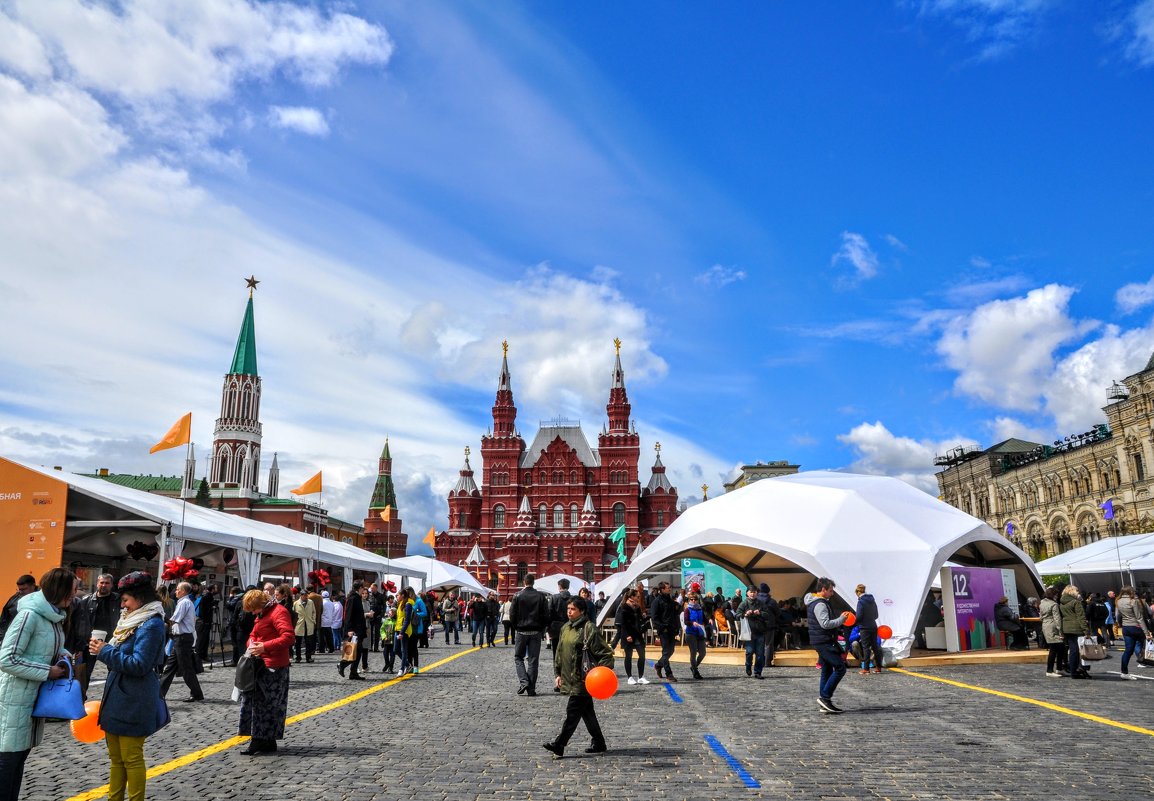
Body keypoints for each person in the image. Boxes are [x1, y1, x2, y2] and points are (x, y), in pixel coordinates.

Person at [0, 567, 79, 801]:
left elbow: (47, 648)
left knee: (17, 759)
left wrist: (64, 656)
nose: (76, 594)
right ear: (60, 589)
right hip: (15, 698)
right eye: (73, 589)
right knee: (8, 761)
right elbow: (7, 658)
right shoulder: (30, 616)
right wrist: (48, 671)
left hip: (31, 698)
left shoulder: (53, 616)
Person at [88, 571, 167, 801]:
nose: (123, 605)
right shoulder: (131, 620)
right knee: (116, 758)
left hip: (135, 697)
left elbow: (140, 664)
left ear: (140, 598)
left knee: (131, 757)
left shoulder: (151, 624)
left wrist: (105, 651)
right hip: (117, 695)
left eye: (126, 600)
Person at [542, 597, 614, 759]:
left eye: (573, 609)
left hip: (583, 680)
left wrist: (597, 677)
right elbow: (559, 653)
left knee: (572, 712)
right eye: (568, 608)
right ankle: (599, 742)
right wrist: (558, 674)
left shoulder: (589, 629)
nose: (569, 611)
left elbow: (606, 655)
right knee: (587, 712)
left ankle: (559, 745)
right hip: (569, 678)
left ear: (582, 611)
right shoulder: (565, 628)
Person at [237, 589, 293, 755]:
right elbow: (254, 634)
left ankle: (261, 740)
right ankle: (265, 740)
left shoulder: (278, 612)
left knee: (269, 704)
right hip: (260, 664)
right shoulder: (263, 613)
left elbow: (289, 637)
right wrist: (251, 643)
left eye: (253, 610)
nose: (253, 613)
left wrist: (264, 646)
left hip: (273, 666)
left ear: (260, 604)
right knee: (259, 703)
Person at [808, 577, 849, 713]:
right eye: (830, 591)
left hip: (820, 640)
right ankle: (825, 697)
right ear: (823, 590)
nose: (832, 593)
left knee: (827, 669)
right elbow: (825, 624)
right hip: (823, 640)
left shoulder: (816, 602)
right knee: (840, 668)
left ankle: (825, 702)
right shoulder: (820, 604)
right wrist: (841, 620)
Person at [159, 581, 204, 702]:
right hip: (179, 638)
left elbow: (174, 620)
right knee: (170, 667)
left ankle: (197, 693)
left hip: (183, 638)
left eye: (178, 589)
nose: (176, 591)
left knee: (186, 668)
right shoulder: (183, 602)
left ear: (183, 591)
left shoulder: (184, 603)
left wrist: (160, 619)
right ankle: (160, 693)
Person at [510, 574, 549, 696]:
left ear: (523, 582)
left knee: (518, 657)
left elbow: (512, 614)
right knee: (533, 660)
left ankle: (524, 681)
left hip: (521, 631)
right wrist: (541, 629)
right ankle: (531, 689)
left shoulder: (517, 595)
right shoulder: (541, 596)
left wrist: (517, 627)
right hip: (536, 632)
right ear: (534, 582)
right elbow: (546, 615)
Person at [1115, 585, 1150, 680]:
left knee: (1128, 650)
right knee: (1146, 645)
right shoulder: (1133, 601)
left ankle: (1124, 672)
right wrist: (1146, 633)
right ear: (1130, 591)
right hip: (1136, 626)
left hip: (1126, 628)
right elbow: (1139, 618)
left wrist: (1120, 624)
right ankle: (1145, 661)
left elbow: (1118, 615)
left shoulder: (1118, 601)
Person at [616, 588, 649, 685]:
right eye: (637, 596)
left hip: (637, 634)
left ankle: (641, 676)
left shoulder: (637, 607)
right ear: (632, 597)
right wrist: (627, 635)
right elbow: (623, 624)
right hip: (628, 635)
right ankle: (629, 677)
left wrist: (643, 619)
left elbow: (638, 620)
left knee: (642, 655)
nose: (639, 598)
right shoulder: (624, 607)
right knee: (628, 656)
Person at [736, 587, 770, 678]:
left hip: (760, 631)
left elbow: (768, 615)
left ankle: (758, 672)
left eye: (754, 592)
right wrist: (745, 614)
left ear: (757, 593)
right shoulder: (744, 603)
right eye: (751, 592)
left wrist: (760, 613)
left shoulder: (761, 603)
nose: (752, 594)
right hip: (749, 632)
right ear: (747, 593)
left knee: (760, 654)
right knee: (749, 652)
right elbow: (737, 615)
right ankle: (748, 666)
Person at [650, 582, 680, 682]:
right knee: (666, 651)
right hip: (664, 630)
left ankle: (658, 665)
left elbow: (674, 615)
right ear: (662, 589)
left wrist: (677, 627)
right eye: (667, 588)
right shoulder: (657, 601)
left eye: (670, 587)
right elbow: (654, 617)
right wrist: (662, 626)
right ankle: (669, 673)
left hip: (672, 629)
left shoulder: (670, 601)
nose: (670, 589)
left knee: (670, 651)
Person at [1059, 584, 1091, 679]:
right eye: (1077, 591)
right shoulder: (1076, 602)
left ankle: (1074, 670)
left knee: (1073, 650)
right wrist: (1086, 630)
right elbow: (1081, 617)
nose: (1078, 592)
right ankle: (1079, 670)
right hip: (1076, 628)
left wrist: (1061, 630)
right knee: (1080, 650)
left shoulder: (1062, 603)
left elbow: (1061, 617)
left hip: (1066, 628)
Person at [340, 582, 368, 680]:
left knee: (358, 651)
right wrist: (349, 630)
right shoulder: (353, 598)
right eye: (362, 589)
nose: (363, 591)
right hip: (354, 630)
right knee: (355, 650)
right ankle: (342, 665)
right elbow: (348, 615)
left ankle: (353, 672)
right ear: (360, 588)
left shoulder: (356, 597)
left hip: (358, 629)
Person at [854, 584, 883, 674]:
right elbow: (876, 615)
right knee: (875, 647)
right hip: (873, 626)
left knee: (865, 647)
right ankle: (878, 667)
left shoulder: (861, 602)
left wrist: (857, 622)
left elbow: (858, 616)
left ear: (858, 592)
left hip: (864, 627)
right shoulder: (872, 600)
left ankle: (866, 669)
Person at [0, 575, 36, 642]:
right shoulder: (14, 599)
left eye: (24, 589)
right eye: (19, 589)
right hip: (11, 638)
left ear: (33, 586)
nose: (21, 592)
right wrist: (1, 638)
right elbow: (4, 619)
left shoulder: (42, 600)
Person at [682, 590, 708, 680]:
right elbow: (686, 621)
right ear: (689, 600)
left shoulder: (700, 609)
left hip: (700, 633)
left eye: (695, 599)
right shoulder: (687, 610)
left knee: (703, 653)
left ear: (697, 600)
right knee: (693, 653)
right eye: (691, 599)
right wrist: (692, 623)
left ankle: (693, 666)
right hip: (691, 633)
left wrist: (710, 620)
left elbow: (705, 620)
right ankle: (695, 671)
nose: (693, 601)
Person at [1039, 586, 1065, 677]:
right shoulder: (1054, 604)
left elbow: (1041, 617)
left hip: (1045, 626)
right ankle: (1050, 670)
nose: (1057, 596)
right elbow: (1057, 619)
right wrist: (1061, 632)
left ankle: (1058, 668)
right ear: (1053, 595)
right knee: (1055, 649)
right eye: (1056, 594)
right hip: (1053, 627)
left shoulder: (1042, 603)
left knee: (1057, 648)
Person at [194, 583, 218, 662]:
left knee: (202, 639)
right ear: (212, 589)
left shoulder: (203, 595)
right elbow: (204, 610)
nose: (217, 590)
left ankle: (201, 656)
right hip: (204, 622)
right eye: (215, 588)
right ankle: (199, 657)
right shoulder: (207, 597)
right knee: (202, 640)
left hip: (200, 621)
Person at [547, 578, 573, 651]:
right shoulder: (573, 599)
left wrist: (548, 628)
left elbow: (549, 613)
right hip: (570, 626)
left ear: (559, 586)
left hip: (555, 627)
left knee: (556, 651)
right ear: (568, 587)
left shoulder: (554, 597)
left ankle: (556, 662)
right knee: (568, 651)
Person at [292, 587, 316, 664]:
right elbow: (294, 614)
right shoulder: (296, 603)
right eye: (304, 595)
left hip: (308, 623)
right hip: (299, 624)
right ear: (301, 595)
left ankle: (308, 657)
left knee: (308, 642)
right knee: (298, 642)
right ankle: (298, 657)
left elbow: (314, 612)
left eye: (307, 595)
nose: (306, 597)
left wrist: (313, 620)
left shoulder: (310, 602)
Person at [401, 587, 422, 674]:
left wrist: (416, 614)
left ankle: (416, 666)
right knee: (408, 648)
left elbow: (425, 612)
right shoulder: (403, 602)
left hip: (414, 627)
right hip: (406, 628)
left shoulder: (418, 601)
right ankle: (410, 665)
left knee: (414, 648)